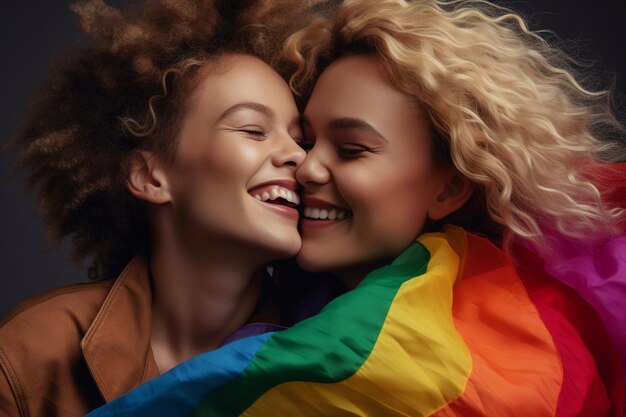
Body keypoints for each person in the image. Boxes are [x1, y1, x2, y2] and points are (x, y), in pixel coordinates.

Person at [85, 0, 626, 416]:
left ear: (449, 189)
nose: (304, 167)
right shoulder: (282, 318)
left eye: (350, 150)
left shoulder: (496, 346)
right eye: (306, 139)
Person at [0, 0, 319, 416]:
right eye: (253, 130)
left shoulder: (321, 359)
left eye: (300, 139)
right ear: (150, 178)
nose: (298, 156)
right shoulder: (30, 355)